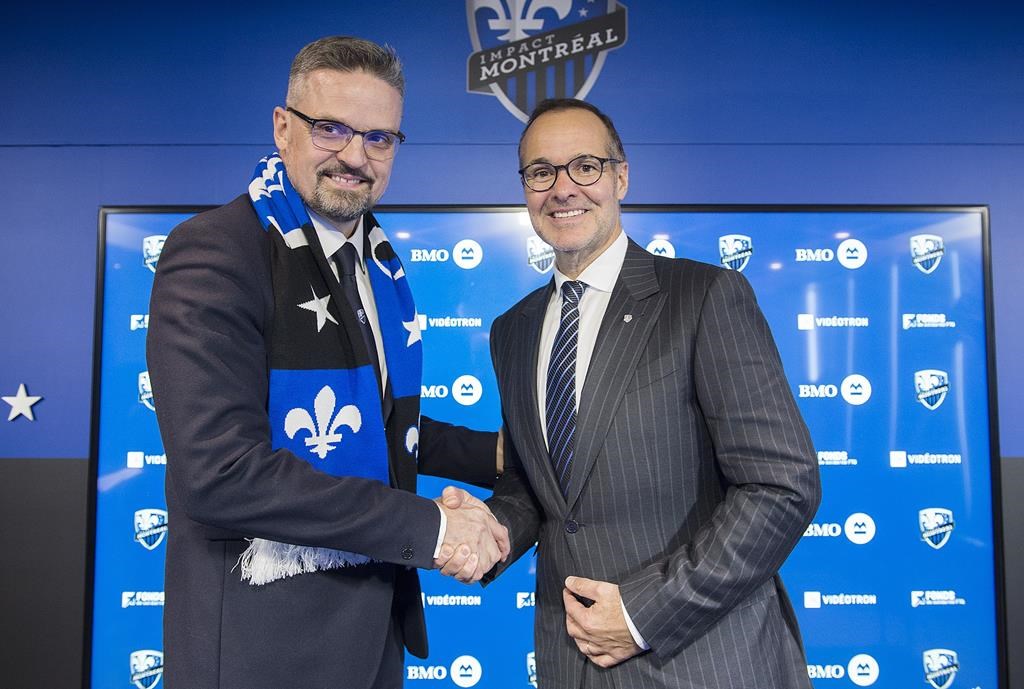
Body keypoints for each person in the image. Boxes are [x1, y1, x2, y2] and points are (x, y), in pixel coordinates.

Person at [146, 36, 508, 689]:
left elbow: (378, 428)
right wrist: (433, 526)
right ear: (283, 128)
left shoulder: (376, 263)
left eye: (379, 138)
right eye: (332, 128)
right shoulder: (218, 253)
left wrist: (509, 456)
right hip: (266, 647)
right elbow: (221, 472)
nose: (355, 155)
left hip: (373, 634)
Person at [439, 98, 821, 688]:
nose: (563, 188)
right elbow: (536, 486)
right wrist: (492, 532)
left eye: (584, 167)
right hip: (572, 665)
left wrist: (644, 613)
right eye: (541, 172)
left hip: (703, 661)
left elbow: (781, 486)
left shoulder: (704, 296)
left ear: (621, 175)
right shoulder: (512, 330)